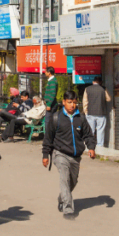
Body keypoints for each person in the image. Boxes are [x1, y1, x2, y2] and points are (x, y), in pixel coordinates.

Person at [41, 90, 96, 220]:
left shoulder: (80, 118)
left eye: (75, 103)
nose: (72, 105)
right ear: (64, 102)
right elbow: (48, 138)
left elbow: (88, 135)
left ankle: (62, 198)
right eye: (70, 102)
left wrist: (91, 147)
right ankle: (68, 209)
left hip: (76, 156)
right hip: (60, 153)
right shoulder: (56, 118)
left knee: (72, 181)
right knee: (64, 179)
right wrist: (45, 155)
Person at [82, 76, 111, 149]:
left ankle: (89, 146)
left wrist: (85, 112)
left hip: (90, 113)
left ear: (93, 82)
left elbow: (85, 102)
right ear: (100, 82)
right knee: (100, 131)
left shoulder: (87, 89)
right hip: (101, 113)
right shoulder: (103, 89)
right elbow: (108, 99)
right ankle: (100, 147)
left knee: (90, 131)